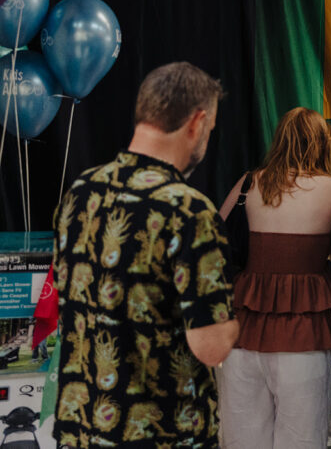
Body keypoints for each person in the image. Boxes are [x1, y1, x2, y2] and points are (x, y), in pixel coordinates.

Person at [53, 62, 238, 448]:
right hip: (161, 433)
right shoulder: (189, 210)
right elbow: (211, 346)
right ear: (197, 122)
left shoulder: (81, 191)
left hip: (82, 429)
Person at [215, 107, 331, 448]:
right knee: (302, 437)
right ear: (323, 144)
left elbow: (213, 242)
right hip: (304, 328)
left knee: (242, 438)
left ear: (280, 141)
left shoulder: (248, 182)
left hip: (244, 325)